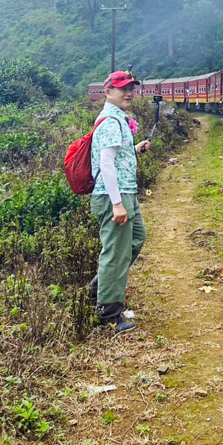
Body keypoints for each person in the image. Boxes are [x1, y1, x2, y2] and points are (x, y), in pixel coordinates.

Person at [90, 70, 151, 333]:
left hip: (126, 192)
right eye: (122, 88)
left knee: (136, 239)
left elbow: (115, 156)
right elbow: (106, 164)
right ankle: (109, 314)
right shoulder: (110, 122)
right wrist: (116, 203)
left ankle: (99, 287)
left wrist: (135, 149)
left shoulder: (118, 119)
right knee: (115, 253)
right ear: (108, 92)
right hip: (114, 195)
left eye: (131, 89)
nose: (128, 93)